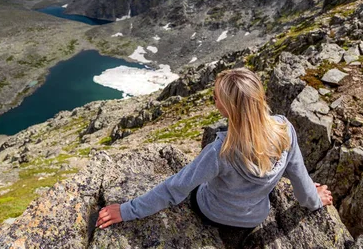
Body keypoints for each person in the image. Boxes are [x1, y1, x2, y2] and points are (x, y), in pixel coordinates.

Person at [96, 68, 332, 230]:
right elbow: (301, 183)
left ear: (228, 108)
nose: (214, 100)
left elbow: (174, 189)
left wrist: (127, 211)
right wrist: (315, 199)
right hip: (255, 217)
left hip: (213, 214)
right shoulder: (285, 131)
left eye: (216, 98)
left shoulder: (220, 150)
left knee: (197, 185)